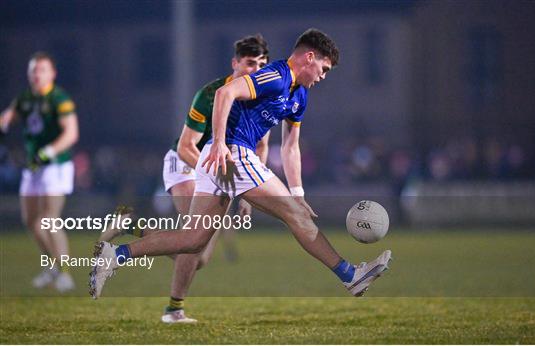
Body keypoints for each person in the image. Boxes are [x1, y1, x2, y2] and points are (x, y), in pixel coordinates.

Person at [90, 28, 391, 301]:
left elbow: (289, 146)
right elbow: (226, 92)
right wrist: (219, 141)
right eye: (323, 69)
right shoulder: (276, 76)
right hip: (233, 154)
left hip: (227, 161)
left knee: (194, 241)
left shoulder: (299, 95)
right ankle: (351, 275)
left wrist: (297, 191)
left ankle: (115, 255)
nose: (323, 76)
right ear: (309, 57)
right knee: (296, 217)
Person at [98, 34, 270, 323]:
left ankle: (132, 226)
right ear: (235, 63)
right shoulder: (211, 93)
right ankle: (173, 310)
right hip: (186, 165)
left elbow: (262, 146)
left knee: (199, 257)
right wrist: (221, 175)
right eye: (250, 63)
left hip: (223, 173)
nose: (256, 70)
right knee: (192, 242)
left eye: (262, 64)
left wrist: (247, 189)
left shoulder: (263, 96)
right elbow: (186, 146)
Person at [0, 52, 79, 292]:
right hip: (33, 166)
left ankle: (65, 273)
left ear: (52, 73)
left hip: (56, 165)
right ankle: (53, 266)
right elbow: (7, 118)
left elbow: (71, 134)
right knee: (31, 221)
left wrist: (48, 152)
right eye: (34, 70)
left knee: (50, 219)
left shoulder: (59, 98)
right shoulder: (25, 98)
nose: (37, 74)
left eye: (42, 70)